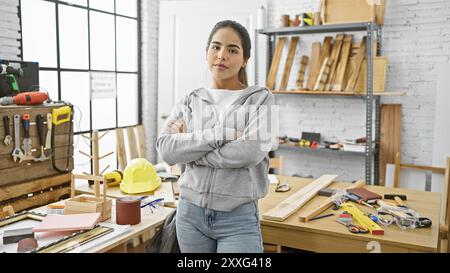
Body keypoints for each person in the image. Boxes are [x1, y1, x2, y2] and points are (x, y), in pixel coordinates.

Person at [156, 20, 276, 253]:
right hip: (189, 216)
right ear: (207, 52)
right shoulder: (190, 100)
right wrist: (222, 134)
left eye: (232, 50)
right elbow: (166, 149)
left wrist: (191, 151)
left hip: (238, 219)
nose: (222, 55)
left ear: (245, 60)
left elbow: (249, 152)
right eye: (216, 47)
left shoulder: (261, 100)